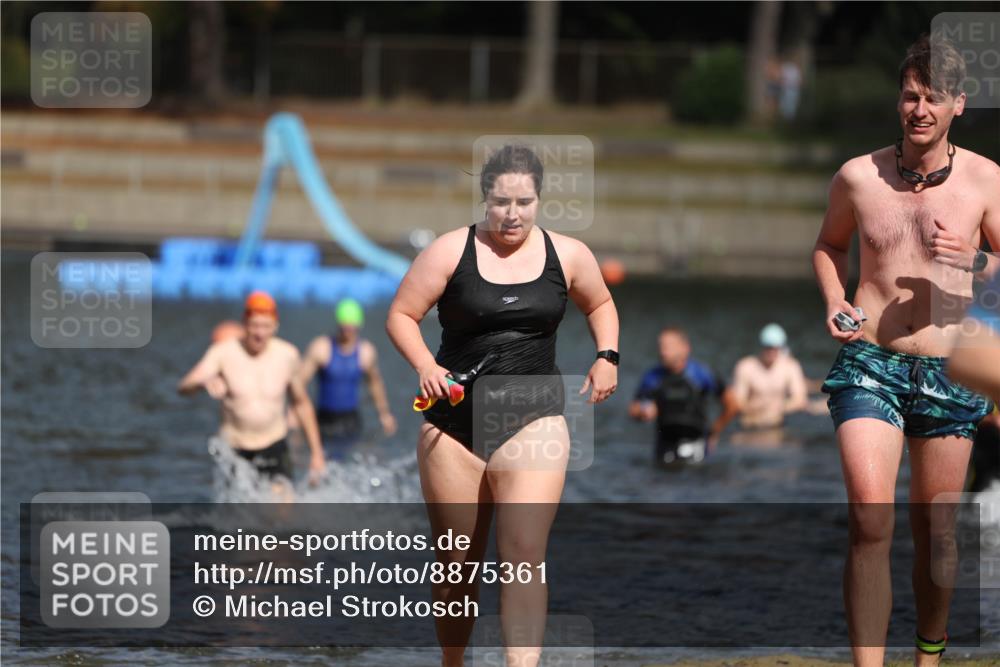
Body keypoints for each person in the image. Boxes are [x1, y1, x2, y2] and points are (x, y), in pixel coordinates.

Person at [386, 144, 618, 667]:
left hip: (534, 421)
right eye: (501, 202)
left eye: (524, 202)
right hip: (453, 428)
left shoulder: (568, 255)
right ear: (485, 199)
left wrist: (607, 356)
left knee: (524, 559)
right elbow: (401, 315)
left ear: (539, 200)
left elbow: (601, 302)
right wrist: (425, 365)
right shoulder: (450, 251)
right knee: (456, 569)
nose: (512, 214)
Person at [812, 36, 998, 667]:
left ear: (958, 104)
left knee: (935, 534)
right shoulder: (858, 176)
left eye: (933, 98)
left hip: (951, 369)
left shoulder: (986, 180)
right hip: (870, 361)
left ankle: (928, 657)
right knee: (869, 518)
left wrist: (975, 260)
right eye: (911, 96)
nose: (920, 109)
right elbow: (829, 246)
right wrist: (834, 298)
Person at [178, 291, 326, 495]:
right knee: (239, 511)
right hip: (235, 449)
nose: (260, 333)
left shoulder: (287, 355)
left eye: (266, 326)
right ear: (244, 324)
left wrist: (317, 453)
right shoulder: (223, 353)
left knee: (284, 505)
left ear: (275, 327)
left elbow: (302, 404)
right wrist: (204, 382)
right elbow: (184, 386)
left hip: (274, 443)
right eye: (255, 325)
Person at [297, 298, 397, 460]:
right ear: (338, 324)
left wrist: (384, 414)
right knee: (320, 459)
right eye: (344, 326)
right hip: (324, 419)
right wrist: (294, 413)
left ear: (358, 325)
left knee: (351, 460)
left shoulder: (366, 352)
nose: (348, 331)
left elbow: (375, 383)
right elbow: (299, 382)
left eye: (351, 327)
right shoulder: (321, 348)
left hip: (350, 420)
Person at [629, 326, 735, 465]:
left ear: (685, 348)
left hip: (696, 446)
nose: (663, 352)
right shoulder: (652, 377)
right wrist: (643, 412)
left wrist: (715, 431)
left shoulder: (701, 374)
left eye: (668, 347)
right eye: (660, 346)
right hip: (665, 446)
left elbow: (733, 404)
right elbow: (633, 409)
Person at [730, 323, 809, 429]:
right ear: (762, 346)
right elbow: (737, 403)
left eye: (775, 348)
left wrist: (778, 408)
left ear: (781, 347)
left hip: (776, 423)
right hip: (751, 423)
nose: (771, 352)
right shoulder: (746, 367)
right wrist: (757, 409)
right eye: (768, 347)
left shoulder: (790, 366)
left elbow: (800, 399)